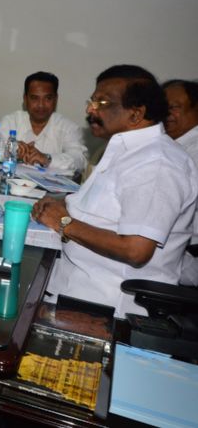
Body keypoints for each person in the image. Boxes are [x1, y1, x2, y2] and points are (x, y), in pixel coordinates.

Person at [32, 65, 198, 317]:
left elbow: (135, 249)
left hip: (106, 306)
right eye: (92, 101)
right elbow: (104, 208)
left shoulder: (157, 164)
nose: (90, 110)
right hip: (70, 281)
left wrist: (63, 222)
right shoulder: (126, 151)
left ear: (136, 113)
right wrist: (63, 204)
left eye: (102, 102)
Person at [0, 71, 88, 175]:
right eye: (34, 98)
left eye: (48, 98)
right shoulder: (10, 122)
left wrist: (47, 159)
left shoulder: (68, 128)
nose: (41, 105)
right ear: (25, 99)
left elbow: (79, 160)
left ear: (55, 99)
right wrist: (11, 150)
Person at [163, 79, 198, 286]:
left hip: (187, 254)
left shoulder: (192, 152)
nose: (166, 114)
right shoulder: (171, 145)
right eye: (163, 107)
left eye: (174, 107)